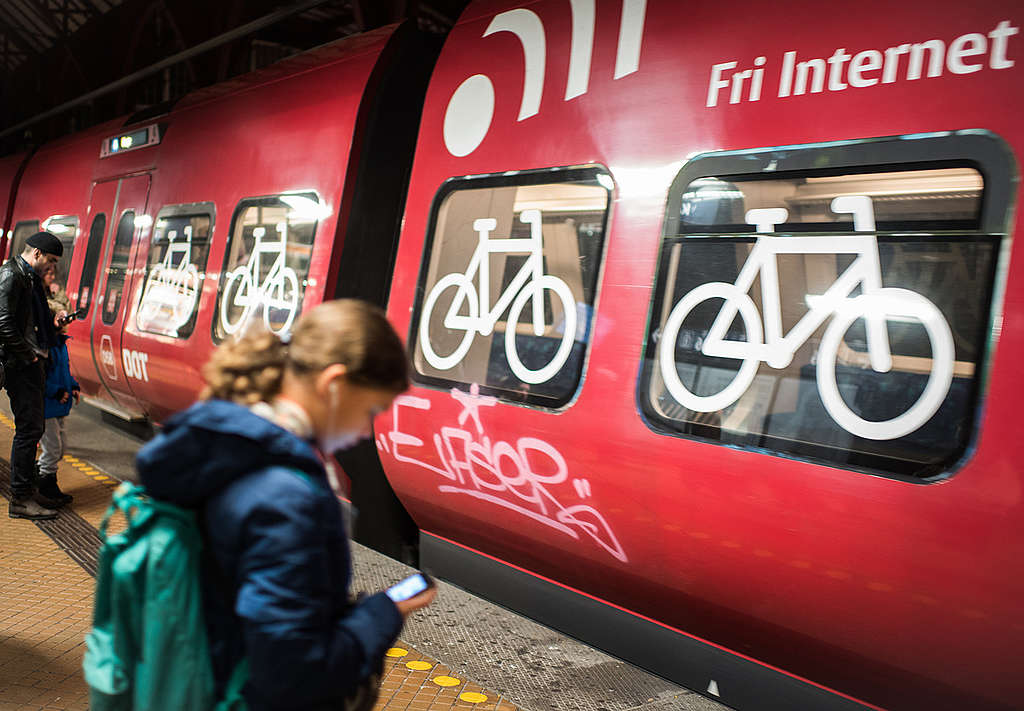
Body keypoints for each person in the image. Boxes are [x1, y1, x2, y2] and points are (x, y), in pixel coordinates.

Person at [136, 299, 436, 710]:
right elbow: (293, 670)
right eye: (369, 410)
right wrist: (384, 613)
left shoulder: (231, 444)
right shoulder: (286, 497)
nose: (366, 430)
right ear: (333, 384)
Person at [0, 231, 63, 520]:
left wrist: (52, 322)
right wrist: (28, 356)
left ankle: (27, 491)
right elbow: (3, 323)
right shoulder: (11, 275)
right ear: (36, 253)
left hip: (28, 361)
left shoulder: (29, 278)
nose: (52, 267)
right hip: (17, 364)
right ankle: (21, 499)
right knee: (28, 430)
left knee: (32, 428)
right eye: (50, 260)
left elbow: (30, 318)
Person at [37, 270, 80, 508]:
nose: (65, 323)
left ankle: (43, 474)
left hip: (60, 406)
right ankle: (46, 485)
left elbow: (64, 372)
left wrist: (73, 386)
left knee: (61, 448)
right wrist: (56, 391)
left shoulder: (61, 345)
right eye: (61, 320)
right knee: (53, 449)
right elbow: (41, 378)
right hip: (48, 406)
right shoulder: (47, 348)